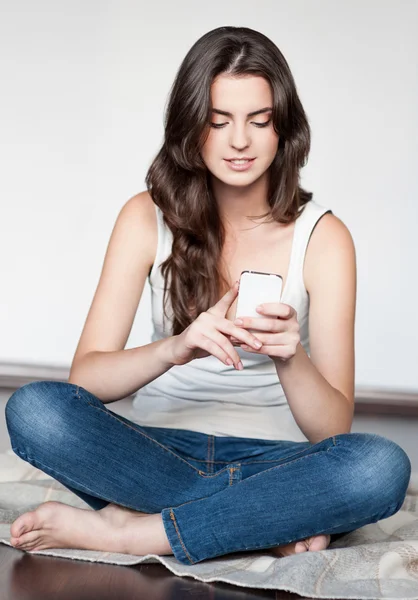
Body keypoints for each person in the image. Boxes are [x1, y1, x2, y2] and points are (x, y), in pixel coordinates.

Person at [5, 26, 411, 565]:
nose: (239, 141)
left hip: (279, 461)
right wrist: (177, 348)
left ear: (283, 128)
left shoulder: (324, 238)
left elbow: (332, 428)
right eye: (218, 122)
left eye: (258, 121)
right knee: (35, 410)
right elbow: (86, 381)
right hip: (153, 449)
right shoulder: (143, 216)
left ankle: (135, 533)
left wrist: (289, 357)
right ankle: (258, 522)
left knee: (379, 467)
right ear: (191, 126)